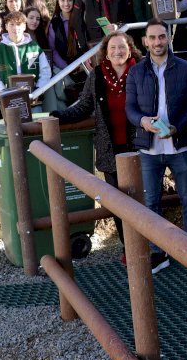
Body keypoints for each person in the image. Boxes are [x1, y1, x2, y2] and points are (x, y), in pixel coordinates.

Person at [53, 32, 141, 256]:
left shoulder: (141, 70)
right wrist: (59, 116)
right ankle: (129, 248)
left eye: (122, 47)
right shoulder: (97, 75)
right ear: (106, 52)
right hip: (111, 150)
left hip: (140, 148)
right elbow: (84, 106)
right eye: (112, 48)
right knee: (118, 204)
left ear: (130, 49)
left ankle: (150, 247)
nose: (117, 52)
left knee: (143, 200)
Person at [125, 18, 187, 274]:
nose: (157, 42)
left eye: (161, 37)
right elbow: (130, 108)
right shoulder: (136, 71)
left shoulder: (186, 68)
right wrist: (143, 121)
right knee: (151, 202)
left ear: (168, 38)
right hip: (149, 149)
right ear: (145, 41)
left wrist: (177, 127)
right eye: (152, 38)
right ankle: (158, 254)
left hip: (179, 146)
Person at [0, 11, 52, 94]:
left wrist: (38, 89)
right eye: (11, 24)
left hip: (34, 97)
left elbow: (45, 71)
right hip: (8, 98)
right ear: (6, 26)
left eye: (19, 24)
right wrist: (4, 91)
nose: (15, 28)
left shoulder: (34, 48)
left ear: (24, 27)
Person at [46, 0, 85, 109]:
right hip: (65, 69)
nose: (66, 4)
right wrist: (66, 67)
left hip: (83, 68)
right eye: (62, 0)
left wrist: (81, 65)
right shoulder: (54, 23)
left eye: (69, 0)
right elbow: (53, 49)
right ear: (58, 2)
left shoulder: (82, 19)